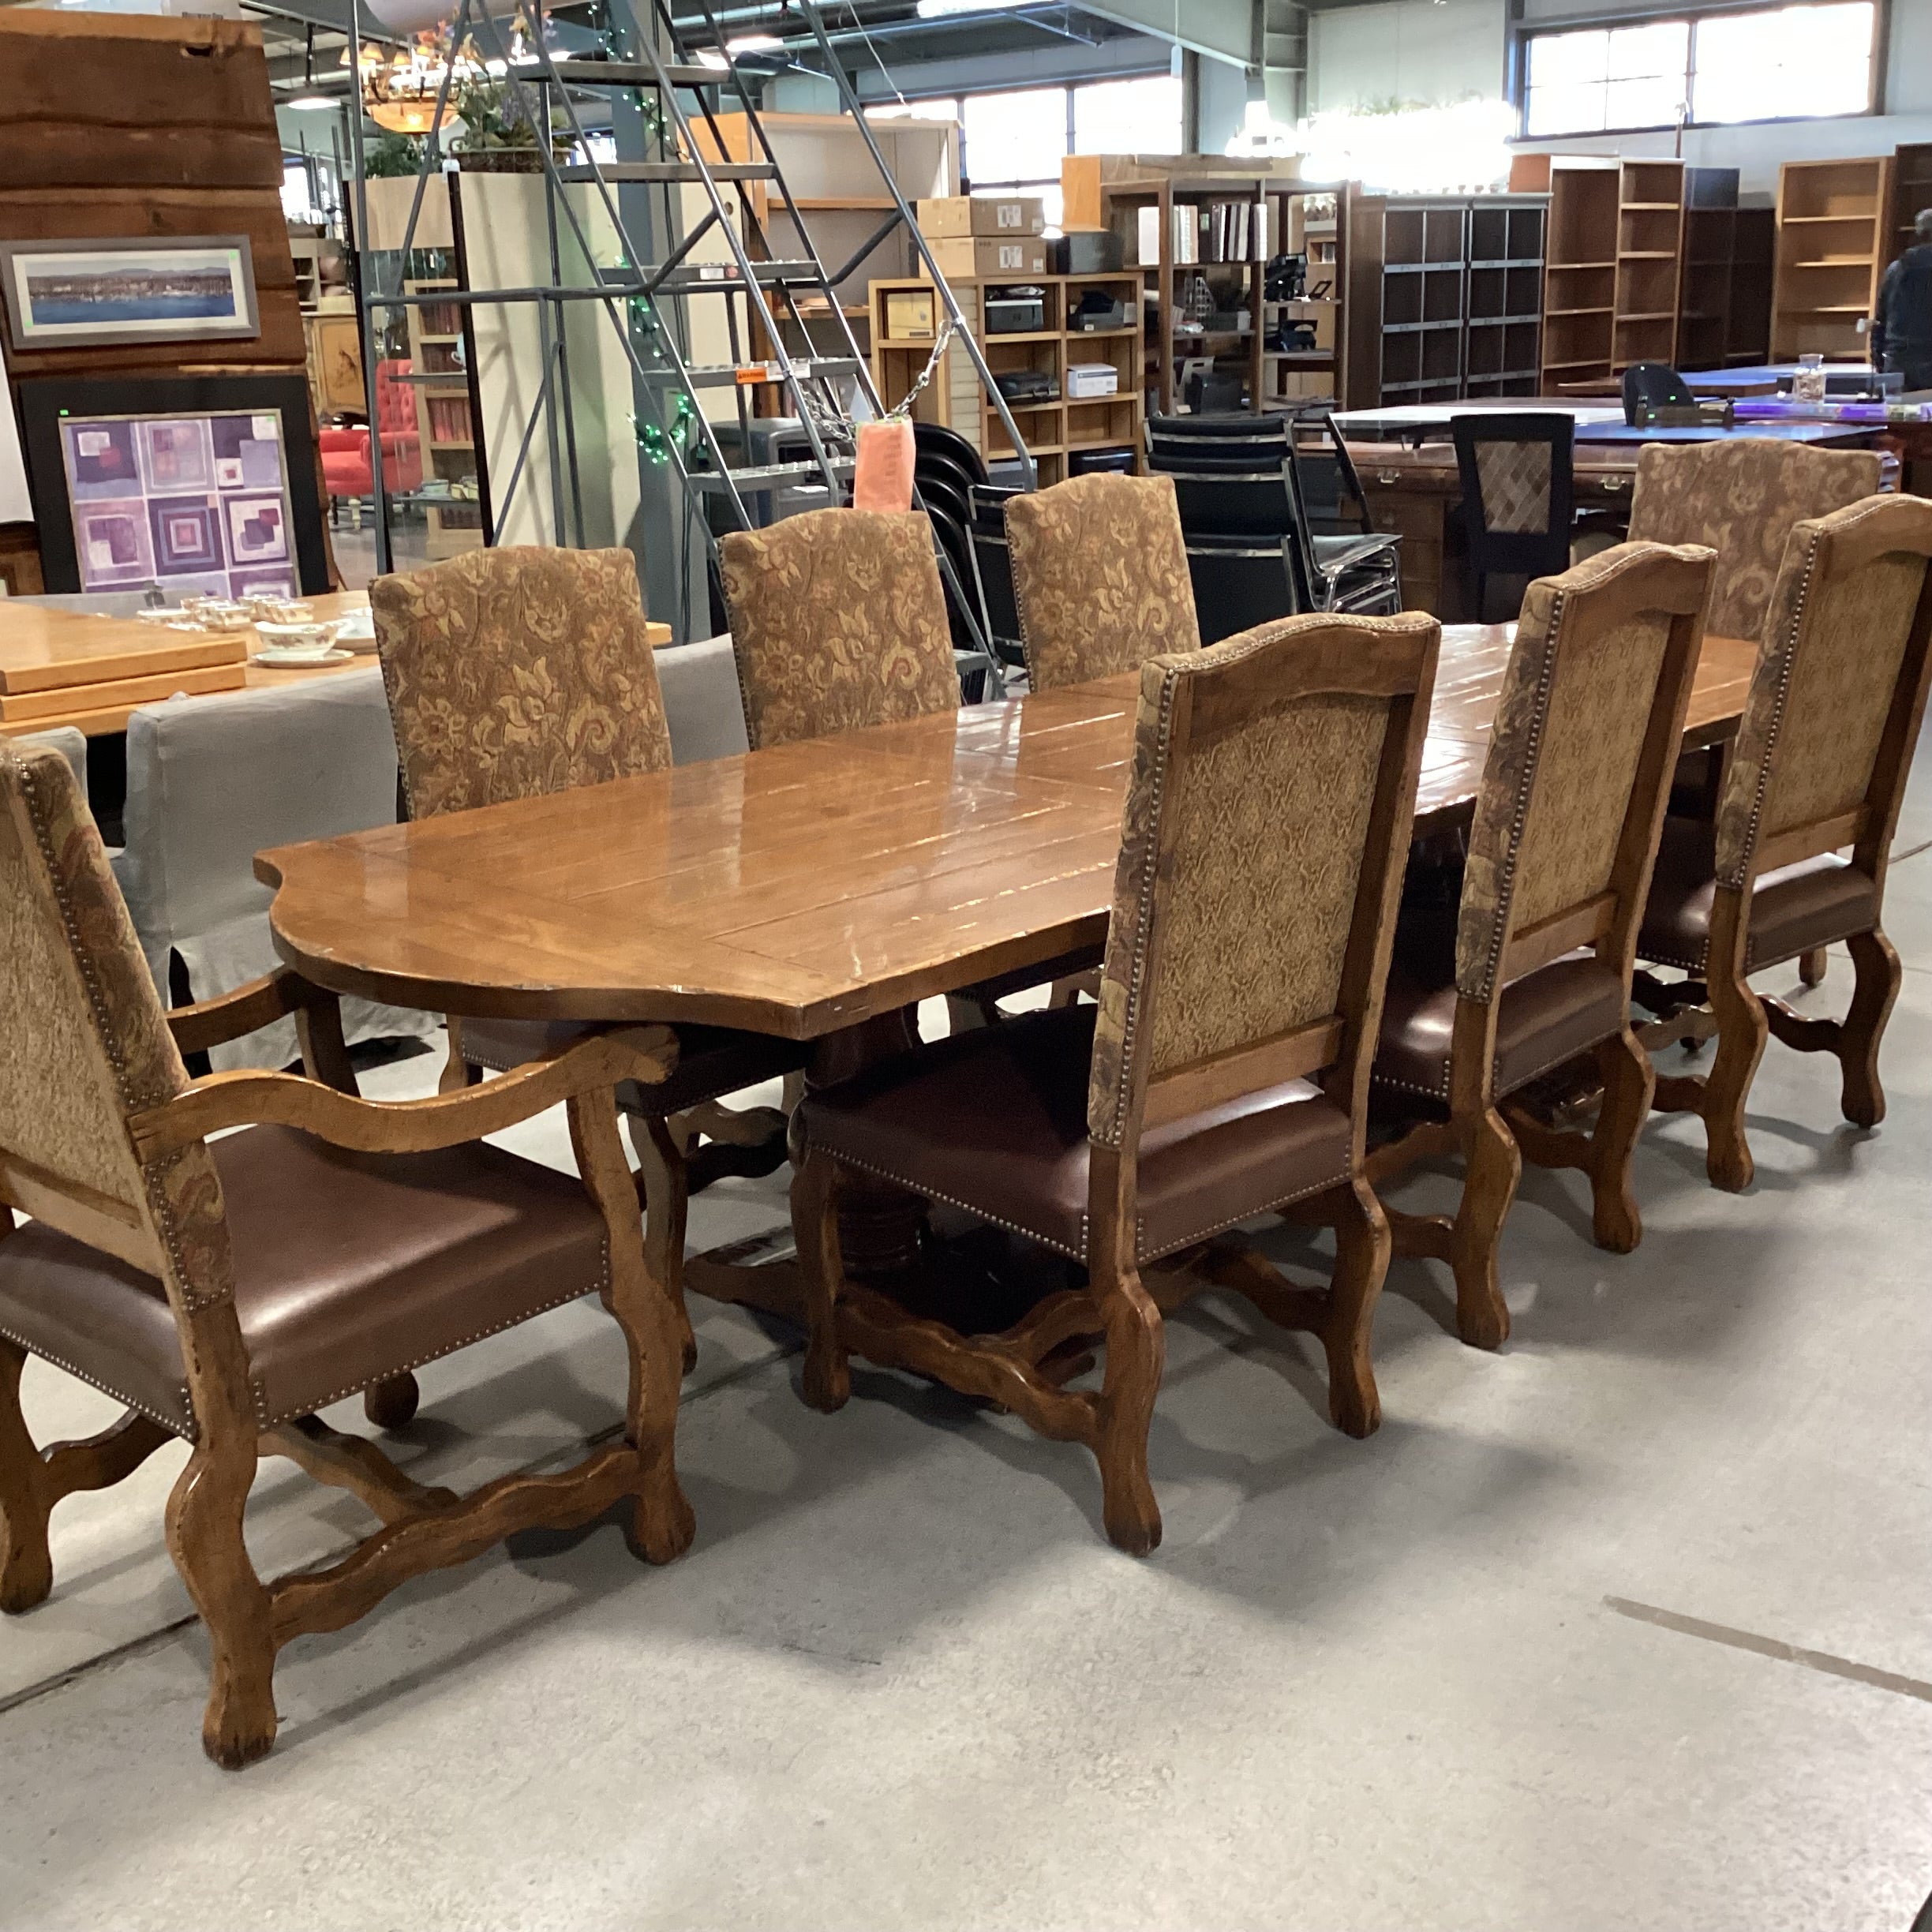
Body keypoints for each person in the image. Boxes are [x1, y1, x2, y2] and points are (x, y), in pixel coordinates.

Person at [1873, 208, 1932, 392]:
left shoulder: (1895, 269)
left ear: (1919, 234)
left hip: (1897, 363)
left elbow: (1881, 318)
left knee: (1898, 419)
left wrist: (1879, 360)